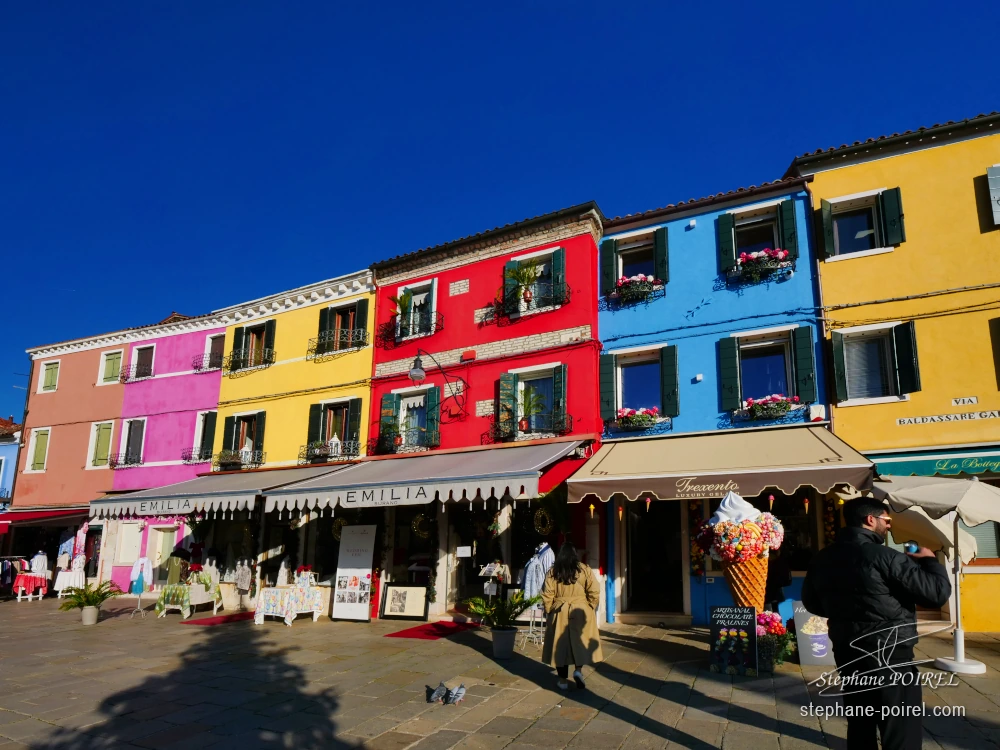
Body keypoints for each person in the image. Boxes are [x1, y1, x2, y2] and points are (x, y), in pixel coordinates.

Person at [802, 497, 951, 750]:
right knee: (899, 722)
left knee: (860, 720)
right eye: (887, 520)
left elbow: (812, 603)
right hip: (890, 653)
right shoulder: (887, 557)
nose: (889, 526)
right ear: (871, 520)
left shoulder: (823, 558)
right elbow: (936, 593)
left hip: (848, 650)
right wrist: (928, 561)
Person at [541, 543, 603, 690]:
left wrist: (550, 610)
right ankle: (578, 670)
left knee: (560, 646)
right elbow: (594, 590)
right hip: (581, 610)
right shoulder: (584, 569)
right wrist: (590, 606)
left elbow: (547, 594)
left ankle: (562, 680)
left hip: (560, 610)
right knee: (579, 642)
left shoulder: (553, 571)